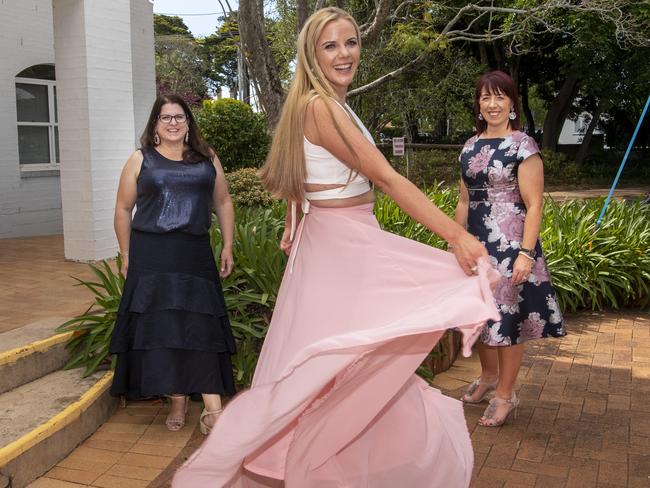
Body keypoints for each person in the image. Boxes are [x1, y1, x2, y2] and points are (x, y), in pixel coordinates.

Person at [173, 8, 500, 488]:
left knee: (352, 365)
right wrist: (458, 237)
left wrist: (293, 220)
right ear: (311, 53)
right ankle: (317, 465)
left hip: (338, 241)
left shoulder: (323, 104)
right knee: (347, 366)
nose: (344, 53)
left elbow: (295, 178)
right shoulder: (320, 107)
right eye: (330, 45)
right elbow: (386, 178)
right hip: (344, 244)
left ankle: (334, 467)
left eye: (350, 42)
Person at [109, 94, 236, 434]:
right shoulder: (141, 160)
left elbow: (222, 202)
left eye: (180, 117)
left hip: (194, 253)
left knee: (200, 328)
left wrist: (228, 244)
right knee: (164, 329)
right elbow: (123, 209)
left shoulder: (206, 158)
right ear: (154, 125)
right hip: (152, 255)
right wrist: (126, 254)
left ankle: (212, 408)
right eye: (166, 118)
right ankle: (180, 399)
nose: (174, 123)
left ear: (189, 122)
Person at [456, 71, 566, 427]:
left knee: (508, 322)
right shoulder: (469, 145)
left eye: (500, 97)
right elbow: (463, 200)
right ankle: (488, 378)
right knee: (480, 315)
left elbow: (534, 204)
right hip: (475, 244)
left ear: (512, 104)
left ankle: (506, 394)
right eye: (486, 98)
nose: (492, 104)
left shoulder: (523, 145)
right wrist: (455, 241)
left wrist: (526, 254)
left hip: (510, 244)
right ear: (478, 103)